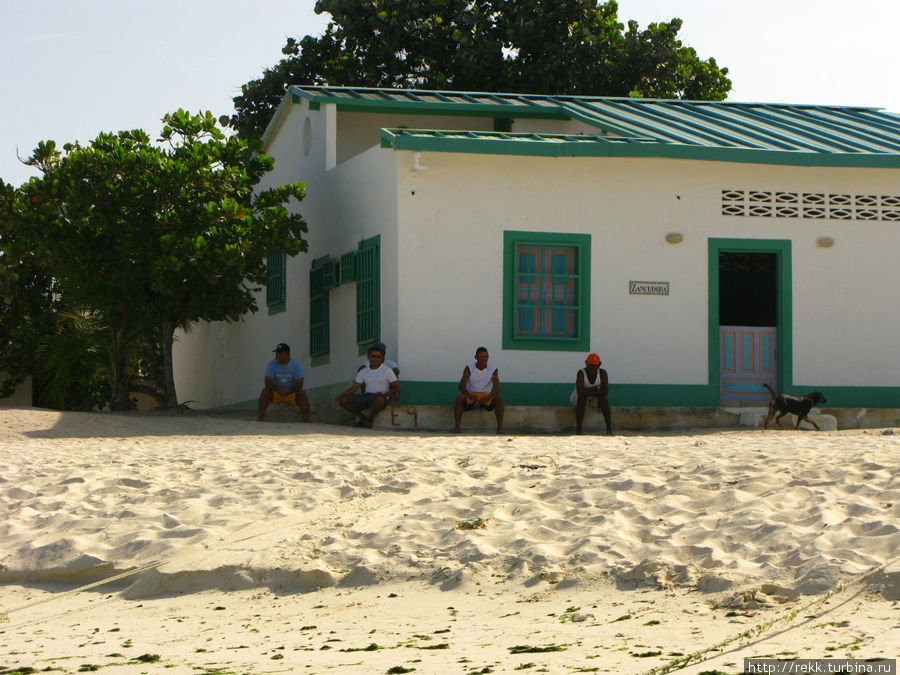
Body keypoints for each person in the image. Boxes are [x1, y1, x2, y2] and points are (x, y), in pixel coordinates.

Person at [335, 342, 401, 427]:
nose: (375, 359)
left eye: (378, 357)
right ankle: (363, 418)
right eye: (373, 356)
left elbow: (397, 387)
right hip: (366, 396)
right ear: (368, 357)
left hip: (379, 396)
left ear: (382, 358)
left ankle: (370, 419)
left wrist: (385, 395)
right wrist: (341, 395)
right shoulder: (363, 371)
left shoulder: (387, 370)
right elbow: (354, 388)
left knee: (380, 400)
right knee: (342, 401)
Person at [453, 347, 504, 434]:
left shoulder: (493, 370)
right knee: (459, 398)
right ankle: (457, 428)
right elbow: (461, 387)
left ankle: (500, 429)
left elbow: (497, 388)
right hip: (471, 395)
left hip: (486, 396)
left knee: (499, 399)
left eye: (486, 356)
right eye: (481, 357)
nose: (484, 359)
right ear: (476, 357)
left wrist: (488, 397)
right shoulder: (469, 368)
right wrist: (471, 396)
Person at [258, 343, 310, 422]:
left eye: (280, 353)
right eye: (276, 353)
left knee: (302, 393)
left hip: (291, 393)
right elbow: (267, 382)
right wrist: (278, 389)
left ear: (288, 354)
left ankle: (306, 421)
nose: (277, 356)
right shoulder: (272, 364)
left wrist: (289, 391)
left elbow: (300, 383)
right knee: (265, 391)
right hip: (276, 393)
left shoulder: (296, 365)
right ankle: (260, 419)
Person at [571, 353, 612, 435]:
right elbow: (580, 392)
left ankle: (609, 429)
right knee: (582, 400)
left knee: (604, 400)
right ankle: (579, 429)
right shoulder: (581, 373)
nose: (592, 369)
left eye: (595, 366)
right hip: (578, 398)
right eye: (590, 366)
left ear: (599, 365)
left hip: (595, 398)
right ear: (586, 363)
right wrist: (595, 389)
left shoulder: (602, 373)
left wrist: (587, 391)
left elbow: (605, 392)